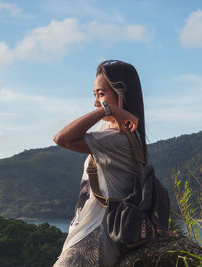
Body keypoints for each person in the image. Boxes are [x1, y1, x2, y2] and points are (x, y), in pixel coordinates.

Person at [53, 60, 148, 266]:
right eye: (95, 95)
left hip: (95, 237)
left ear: (121, 94)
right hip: (90, 232)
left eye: (102, 94)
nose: (97, 102)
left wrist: (107, 110)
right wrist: (110, 112)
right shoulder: (110, 132)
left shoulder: (119, 138)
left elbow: (62, 139)